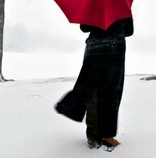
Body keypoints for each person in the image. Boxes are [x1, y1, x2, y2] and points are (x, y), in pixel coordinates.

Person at [54, 17, 134, 151]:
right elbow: (129, 31)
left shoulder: (91, 3)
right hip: (115, 49)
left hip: (95, 48)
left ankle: (93, 136)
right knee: (111, 92)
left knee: (90, 89)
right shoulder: (122, 5)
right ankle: (107, 136)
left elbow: (84, 28)